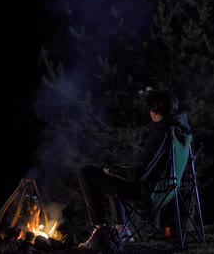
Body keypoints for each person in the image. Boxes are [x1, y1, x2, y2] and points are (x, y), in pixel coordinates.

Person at [77, 90, 193, 248]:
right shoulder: (181, 131)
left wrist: (114, 171)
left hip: (148, 194)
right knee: (113, 178)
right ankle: (120, 230)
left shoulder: (161, 134)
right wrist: (118, 172)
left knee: (86, 173)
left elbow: (140, 173)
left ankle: (101, 231)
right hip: (169, 190)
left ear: (154, 112)